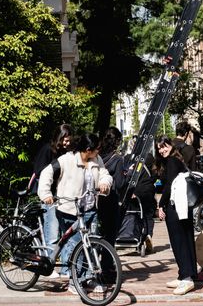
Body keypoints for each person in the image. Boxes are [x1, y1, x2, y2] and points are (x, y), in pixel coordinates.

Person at [37, 133, 113, 290]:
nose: (98, 152)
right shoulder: (67, 160)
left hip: (90, 209)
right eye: (96, 150)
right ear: (87, 149)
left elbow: (105, 174)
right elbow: (46, 173)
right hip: (70, 210)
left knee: (92, 244)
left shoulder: (96, 160)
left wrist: (105, 183)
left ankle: (91, 278)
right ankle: (75, 280)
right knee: (76, 245)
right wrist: (46, 194)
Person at [30, 123, 74, 277]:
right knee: (52, 232)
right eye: (64, 140)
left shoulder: (67, 152)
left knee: (64, 233)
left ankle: (65, 268)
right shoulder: (48, 150)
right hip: (50, 196)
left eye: (69, 140)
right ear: (58, 138)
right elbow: (40, 171)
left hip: (62, 196)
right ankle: (49, 265)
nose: (66, 143)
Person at [156, 136, 197, 296]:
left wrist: (160, 205)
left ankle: (187, 279)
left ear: (171, 146)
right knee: (185, 239)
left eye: (164, 146)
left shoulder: (172, 162)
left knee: (179, 241)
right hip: (182, 205)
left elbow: (169, 185)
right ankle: (185, 274)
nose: (162, 150)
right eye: (159, 148)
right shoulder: (176, 160)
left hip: (175, 206)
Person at [97, 127, 125, 247]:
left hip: (96, 198)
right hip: (111, 199)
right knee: (110, 233)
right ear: (117, 141)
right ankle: (107, 263)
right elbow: (119, 183)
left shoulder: (97, 156)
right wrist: (127, 174)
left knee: (98, 232)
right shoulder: (117, 159)